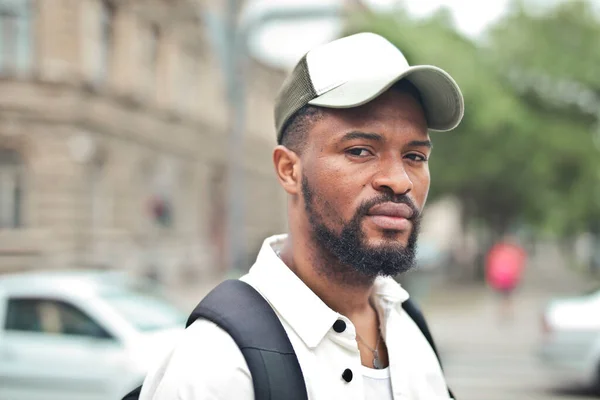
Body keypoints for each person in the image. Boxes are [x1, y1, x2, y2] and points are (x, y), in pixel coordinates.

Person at [140, 32, 464, 400]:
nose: (399, 181)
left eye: (415, 157)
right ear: (289, 170)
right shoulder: (218, 366)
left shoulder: (410, 330)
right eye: (360, 150)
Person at [485, 237, 527, 322]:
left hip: (499, 278)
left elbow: (491, 264)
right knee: (508, 297)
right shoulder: (515, 252)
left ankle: (502, 312)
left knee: (502, 297)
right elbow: (519, 265)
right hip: (510, 278)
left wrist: (491, 278)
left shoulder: (497, 251)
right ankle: (508, 312)